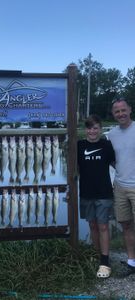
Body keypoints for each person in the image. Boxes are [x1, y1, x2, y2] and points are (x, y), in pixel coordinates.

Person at [78, 115, 115, 278]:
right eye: (89, 128)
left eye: (95, 128)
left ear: (100, 129)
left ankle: (105, 262)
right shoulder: (79, 145)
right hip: (86, 193)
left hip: (104, 193)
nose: (92, 131)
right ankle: (97, 255)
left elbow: (117, 165)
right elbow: (73, 170)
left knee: (103, 226)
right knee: (92, 226)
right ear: (85, 130)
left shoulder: (107, 145)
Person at [108, 98, 135, 276]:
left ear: (130, 109)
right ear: (113, 114)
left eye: (123, 110)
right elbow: (110, 158)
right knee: (125, 225)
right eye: (117, 111)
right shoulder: (111, 134)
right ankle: (131, 262)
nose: (121, 114)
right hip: (119, 186)